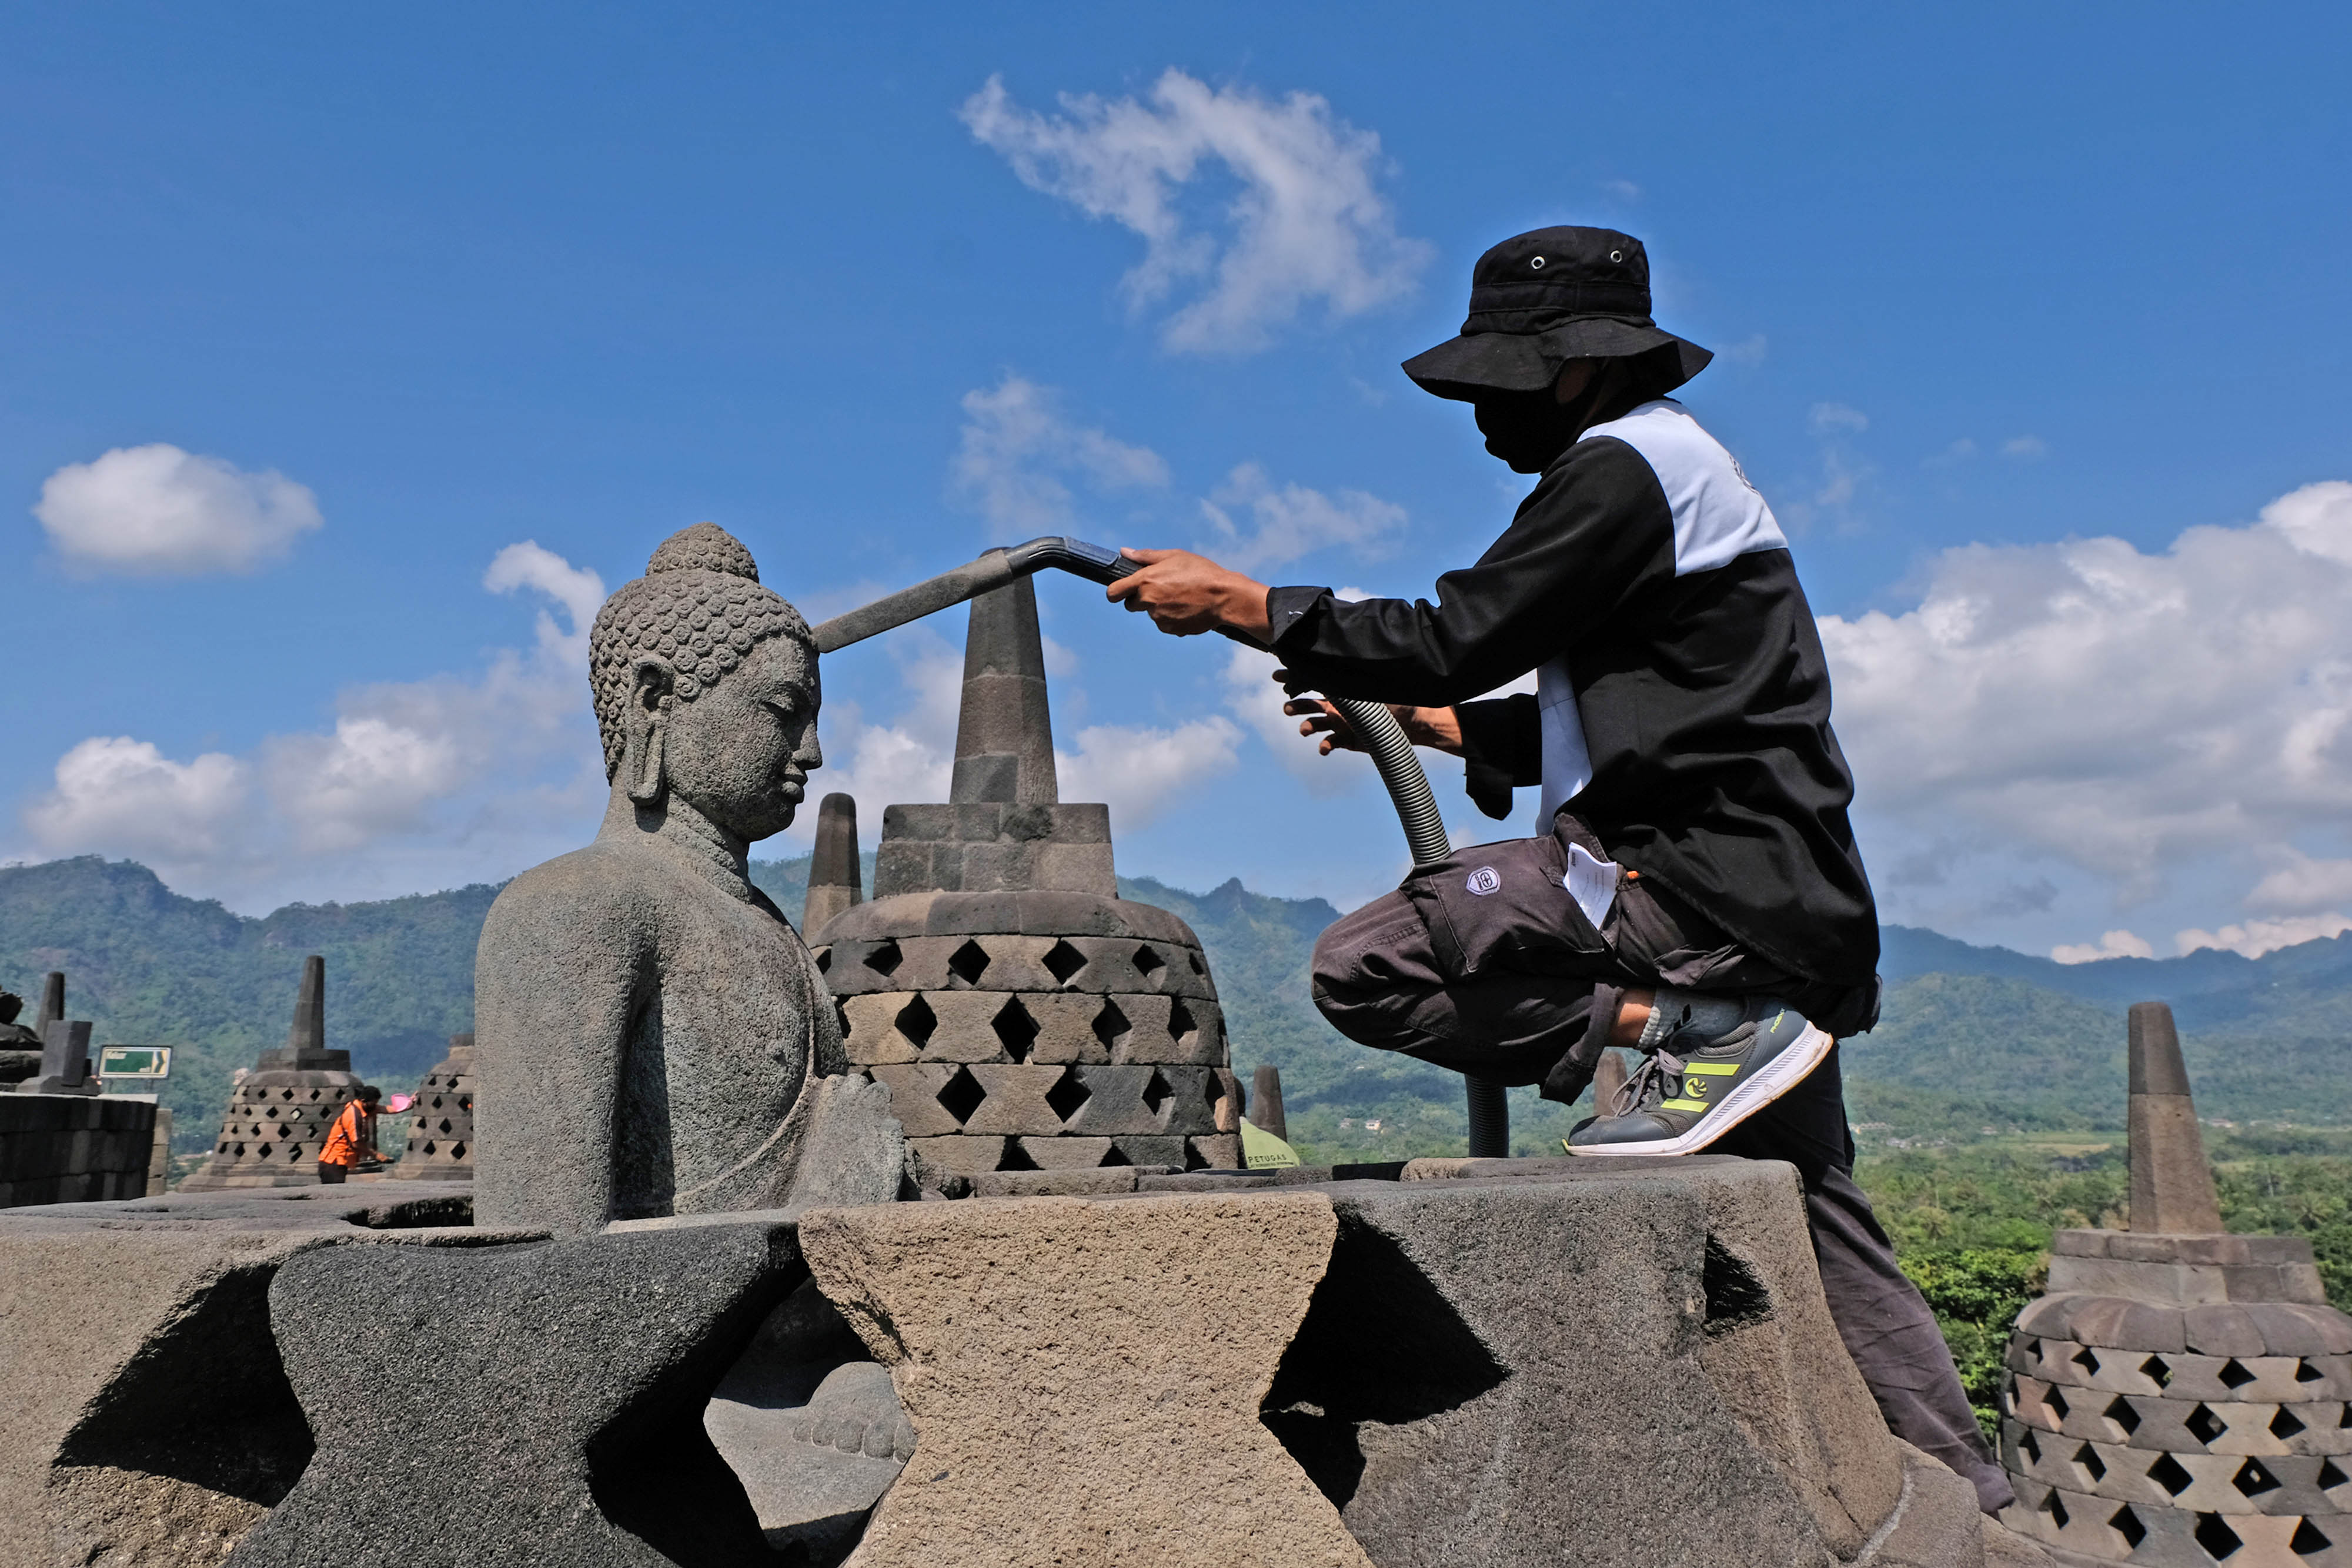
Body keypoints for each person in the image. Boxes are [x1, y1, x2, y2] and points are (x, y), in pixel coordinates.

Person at [1107, 225, 2013, 1511]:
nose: (1484, 416)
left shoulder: (1625, 469)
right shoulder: (1681, 476)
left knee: (1369, 965)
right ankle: (1976, 1503)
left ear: (1581, 366)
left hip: (1687, 884)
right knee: (1816, 1216)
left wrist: (1247, 606)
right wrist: (1446, 728)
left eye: (1503, 383)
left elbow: (1458, 630)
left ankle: (1684, 1027)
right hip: (1780, 901)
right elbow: (1658, 711)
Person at [318, 1085, 383, 1183]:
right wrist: (376, 1155)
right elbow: (356, 1143)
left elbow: (386, 1109)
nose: (375, 1106)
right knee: (334, 1190)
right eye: (373, 1103)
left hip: (339, 1162)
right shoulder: (353, 1115)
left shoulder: (359, 1108)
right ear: (364, 1101)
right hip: (333, 1161)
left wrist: (406, 1105)